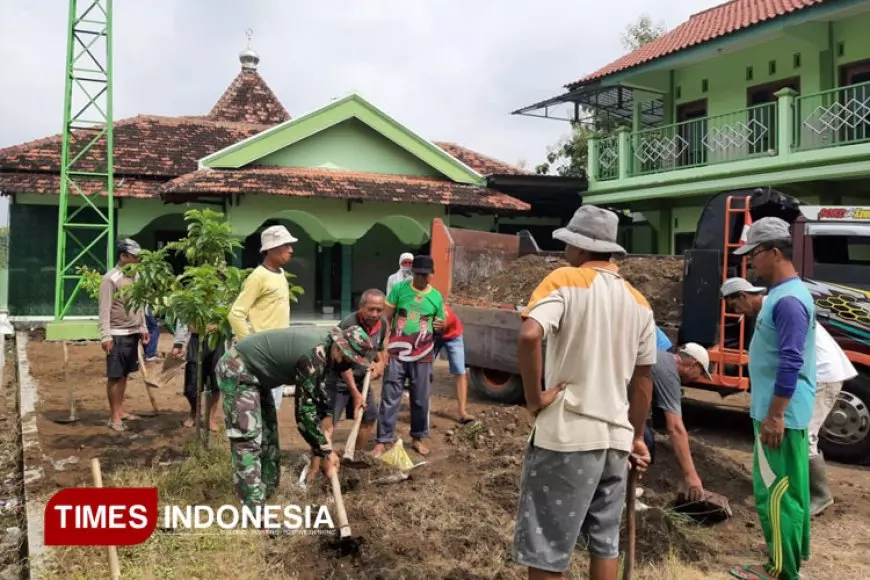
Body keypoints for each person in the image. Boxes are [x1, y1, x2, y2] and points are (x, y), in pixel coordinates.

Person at [513, 205, 656, 580]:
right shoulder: (639, 301)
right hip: (616, 443)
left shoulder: (565, 279)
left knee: (548, 545)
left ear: (578, 248)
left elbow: (529, 334)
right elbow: (644, 379)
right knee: (605, 542)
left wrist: (535, 398)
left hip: (568, 438)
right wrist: (638, 436)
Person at [721, 276, 856, 517]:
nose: (737, 312)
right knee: (797, 433)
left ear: (743, 296)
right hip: (814, 374)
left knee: (805, 434)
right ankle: (798, 486)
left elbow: (790, 357)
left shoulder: (780, 307)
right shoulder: (771, 307)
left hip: (823, 374)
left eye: (735, 306)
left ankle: (820, 495)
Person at [727, 218, 815, 580]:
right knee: (789, 490)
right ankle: (791, 559)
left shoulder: (789, 300)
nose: (750, 263)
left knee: (775, 493)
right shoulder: (782, 294)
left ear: (775, 252)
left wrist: (775, 415)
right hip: (781, 411)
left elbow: (792, 360)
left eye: (754, 254)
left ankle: (780, 571)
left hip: (780, 415)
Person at [216, 325, 376, 509]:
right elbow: (303, 415)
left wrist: (327, 416)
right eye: (349, 359)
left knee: (268, 435)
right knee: (248, 441)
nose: (350, 365)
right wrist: (326, 451)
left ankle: (268, 494)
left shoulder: (328, 348)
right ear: (339, 347)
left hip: (260, 378)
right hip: (239, 369)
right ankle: (255, 512)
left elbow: (316, 390)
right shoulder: (314, 355)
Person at [374, 254, 446, 458]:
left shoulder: (436, 297)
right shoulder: (399, 289)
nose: (421, 278)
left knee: (421, 399)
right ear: (412, 273)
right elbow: (386, 320)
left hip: (422, 354)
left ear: (431, 275)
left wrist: (441, 325)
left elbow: (440, 323)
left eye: (425, 275)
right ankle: (383, 440)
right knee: (390, 397)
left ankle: (418, 438)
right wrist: (383, 349)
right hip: (396, 353)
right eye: (418, 274)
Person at [228, 225, 296, 413]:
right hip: (263, 353)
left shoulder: (280, 274)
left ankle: (267, 442)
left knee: (273, 407)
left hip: (279, 351)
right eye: (285, 246)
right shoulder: (258, 277)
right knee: (260, 407)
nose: (291, 250)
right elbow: (236, 314)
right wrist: (250, 344)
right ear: (271, 249)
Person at [323, 289, 389, 454]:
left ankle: (355, 455)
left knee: (369, 417)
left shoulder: (382, 323)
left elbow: (380, 347)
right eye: (371, 309)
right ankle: (323, 460)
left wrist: (380, 363)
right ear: (362, 307)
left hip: (360, 378)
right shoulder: (350, 324)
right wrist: (355, 392)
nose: (375, 314)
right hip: (338, 379)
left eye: (379, 310)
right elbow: (342, 364)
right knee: (329, 422)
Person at [650, 343, 713, 502]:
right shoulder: (669, 374)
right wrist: (691, 476)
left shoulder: (660, 357)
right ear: (693, 364)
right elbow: (676, 427)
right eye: (700, 373)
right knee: (643, 442)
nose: (697, 378)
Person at [98, 239, 150, 432]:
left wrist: (143, 327)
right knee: (115, 376)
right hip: (117, 334)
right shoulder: (111, 279)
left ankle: (120, 410)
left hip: (133, 333)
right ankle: (114, 417)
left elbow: (140, 304)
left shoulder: (137, 277)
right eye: (134, 256)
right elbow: (104, 309)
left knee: (124, 375)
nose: (138, 259)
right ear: (123, 256)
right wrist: (105, 336)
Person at [171, 322, 225, 431]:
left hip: (217, 339)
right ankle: (195, 412)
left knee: (215, 383)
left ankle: (210, 417)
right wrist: (178, 344)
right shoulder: (189, 304)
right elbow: (183, 320)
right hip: (196, 340)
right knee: (191, 384)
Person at [434, 304, 474, 424]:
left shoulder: (445, 312)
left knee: (459, 371)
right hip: (434, 336)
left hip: (453, 335)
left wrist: (440, 324)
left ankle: (462, 412)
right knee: (423, 369)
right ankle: (420, 410)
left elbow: (443, 324)